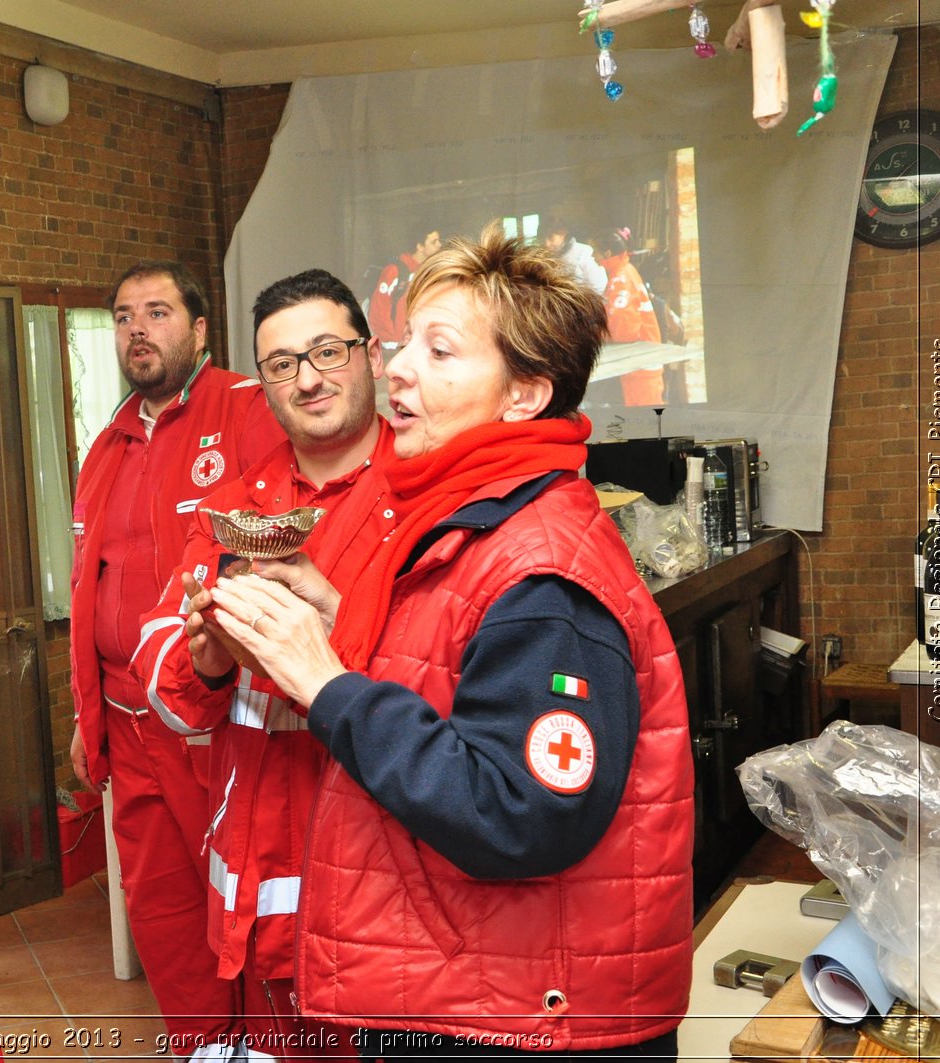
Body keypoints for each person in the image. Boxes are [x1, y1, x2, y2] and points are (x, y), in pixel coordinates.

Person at [207, 234, 693, 1059]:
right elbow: (445, 688)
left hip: (519, 1021)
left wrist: (327, 681)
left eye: (439, 352)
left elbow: (522, 814)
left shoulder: (541, 576)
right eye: (403, 345)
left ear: (525, 393)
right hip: (475, 991)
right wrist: (332, 621)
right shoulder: (473, 523)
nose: (397, 370)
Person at [131, 269, 394, 1056]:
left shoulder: (420, 496)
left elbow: (446, 682)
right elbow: (164, 675)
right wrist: (205, 661)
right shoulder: (237, 510)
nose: (307, 379)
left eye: (326, 351)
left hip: (381, 874)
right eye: (280, 364)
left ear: (370, 355)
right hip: (256, 876)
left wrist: (334, 622)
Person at [69, 259, 284, 1051]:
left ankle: (268, 1047)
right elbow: (92, 591)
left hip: (217, 719)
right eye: (124, 314)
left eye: (157, 312)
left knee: (243, 901)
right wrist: (84, 712)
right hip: (128, 726)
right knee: (161, 908)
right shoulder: (107, 445)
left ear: (198, 329)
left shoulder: (249, 409)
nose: (137, 328)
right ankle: (205, 1048)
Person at [594, 227, 665, 407]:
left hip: (639, 363)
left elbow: (623, 329)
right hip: (641, 360)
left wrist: (600, 337)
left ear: (607, 253)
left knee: (644, 421)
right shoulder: (625, 271)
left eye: (595, 251)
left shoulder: (621, 279)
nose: (593, 256)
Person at [367, 230, 442, 350]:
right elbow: (379, 308)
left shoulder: (430, 272)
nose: (439, 245)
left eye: (439, 241)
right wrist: (390, 341)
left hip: (418, 345)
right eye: (434, 242)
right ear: (420, 246)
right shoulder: (396, 270)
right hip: (394, 346)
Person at [540, 218, 607, 295]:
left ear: (563, 234)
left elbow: (598, 285)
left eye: (551, 238)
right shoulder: (544, 257)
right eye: (542, 238)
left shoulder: (583, 252)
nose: (546, 244)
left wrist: (582, 301)